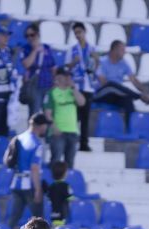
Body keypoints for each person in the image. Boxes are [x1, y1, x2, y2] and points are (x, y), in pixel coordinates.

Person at [92, 40, 149, 123]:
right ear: (114, 50)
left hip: (116, 94)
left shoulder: (123, 63)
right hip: (101, 93)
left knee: (127, 99)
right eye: (122, 50)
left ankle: (129, 128)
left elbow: (133, 80)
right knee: (111, 84)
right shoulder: (102, 61)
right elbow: (103, 83)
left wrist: (145, 92)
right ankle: (139, 97)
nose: (125, 52)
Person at [6, 113, 51, 229]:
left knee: (14, 217)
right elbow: (34, 168)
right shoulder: (36, 144)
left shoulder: (18, 138)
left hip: (16, 182)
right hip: (29, 185)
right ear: (41, 126)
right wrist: (38, 189)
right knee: (40, 221)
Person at [65, 21, 100, 151]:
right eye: (76, 33)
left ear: (85, 32)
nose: (78, 35)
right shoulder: (72, 50)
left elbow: (96, 68)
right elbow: (66, 68)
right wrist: (73, 63)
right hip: (77, 87)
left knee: (85, 117)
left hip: (88, 86)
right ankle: (71, 141)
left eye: (80, 32)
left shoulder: (92, 49)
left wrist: (97, 60)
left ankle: (84, 143)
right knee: (75, 116)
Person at [44, 67, 85, 168]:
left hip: (72, 132)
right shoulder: (51, 93)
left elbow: (82, 102)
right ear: (58, 77)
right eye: (65, 76)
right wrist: (54, 127)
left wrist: (73, 88)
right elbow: (47, 113)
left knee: (70, 162)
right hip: (58, 132)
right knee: (56, 160)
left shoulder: (72, 92)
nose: (68, 78)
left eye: (69, 76)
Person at [20, 23, 57, 116]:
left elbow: (53, 66)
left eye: (32, 35)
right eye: (27, 36)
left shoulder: (47, 48)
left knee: (48, 114)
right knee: (34, 114)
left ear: (38, 34)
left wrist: (55, 81)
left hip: (48, 84)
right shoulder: (25, 49)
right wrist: (35, 50)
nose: (30, 38)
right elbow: (26, 64)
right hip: (34, 85)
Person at [46, 161, 72, 225]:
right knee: (60, 228)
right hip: (63, 212)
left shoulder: (51, 186)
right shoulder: (65, 185)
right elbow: (70, 197)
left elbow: (48, 197)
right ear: (64, 174)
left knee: (54, 226)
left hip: (53, 211)